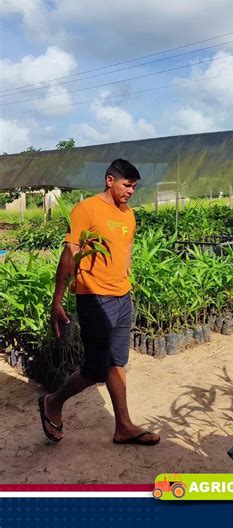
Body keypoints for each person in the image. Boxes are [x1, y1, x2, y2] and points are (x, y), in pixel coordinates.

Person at [39, 158, 160, 446]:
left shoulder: (128, 215)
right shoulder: (87, 210)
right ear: (110, 180)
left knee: (118, 361)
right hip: (94, 298)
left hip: (122, 297)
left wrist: (127, 279)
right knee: (95, 368)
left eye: (134, 187)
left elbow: (126, 247)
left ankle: (123, 426)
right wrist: (57, 300)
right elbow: (69, 255)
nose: (131, 191)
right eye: (127, 185)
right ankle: (53, 402)